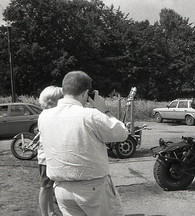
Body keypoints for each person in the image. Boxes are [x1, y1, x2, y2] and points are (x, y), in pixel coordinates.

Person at [38, 71, 129, 216]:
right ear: (86, 93)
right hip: (92, 189)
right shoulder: (90, 115)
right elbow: (122, 133)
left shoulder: (44, 117)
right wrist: (103, 109)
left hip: (62, 188)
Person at [38, 86, 63, 216]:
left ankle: (51, 211)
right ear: (51, 101)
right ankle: (45, 213)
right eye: (61, 98)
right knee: (45, 187)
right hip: (46, 158)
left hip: (51, 156)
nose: (63, 100)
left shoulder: (49, 114)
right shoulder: (47, 115)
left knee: (50, 187)